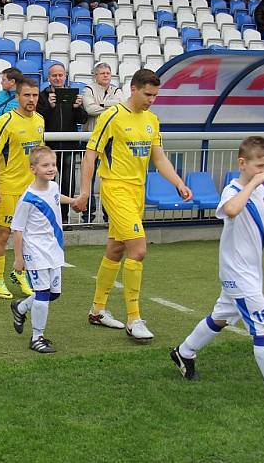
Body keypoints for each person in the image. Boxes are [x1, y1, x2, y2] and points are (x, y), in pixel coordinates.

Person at [170, 137, 264, 411]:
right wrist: (254, 183)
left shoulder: (255, 189)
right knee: (263, 328)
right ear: (242, 163)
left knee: (220, 318)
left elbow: (258, 213)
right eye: (261, 165)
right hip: (238, 274)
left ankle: (183, 352)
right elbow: (233, 210)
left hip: (248, 271)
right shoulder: (233, 189)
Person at [71, 69, 193, 340]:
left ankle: (97, 310)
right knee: (138, 250)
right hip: (115, 189)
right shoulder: (111, 116)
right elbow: (91, 154)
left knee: (115, 249)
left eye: (155, 95)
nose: (151, 100)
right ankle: (134, 319)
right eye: (148, 94)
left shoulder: (151, 119)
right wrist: (85, 193)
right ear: (134, 89)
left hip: (137, 192)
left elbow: (158, 158)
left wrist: (179, 182)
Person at [10, 146, 73, 353]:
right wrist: (18, 259)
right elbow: (17, 230)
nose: (51, 168)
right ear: (33, 169)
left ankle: (20, 308)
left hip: (54, 249)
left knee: (54, 294)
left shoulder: (54, 187)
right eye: (45, 165)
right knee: (43, 294)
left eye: (53, 164)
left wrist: (73, 201)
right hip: (35, 252)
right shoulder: (27, 199)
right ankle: (37, 337)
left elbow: (56, 198)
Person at [0, 78, 45, 300]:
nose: (31, 100)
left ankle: (19, 273)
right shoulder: (6, 121)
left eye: (35, 95)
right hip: (8, 188)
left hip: (30, 190)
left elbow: (38, 155)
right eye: (27, 95)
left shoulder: (40, 120)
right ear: (18, 96)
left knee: (29, 235)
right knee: (3, 233)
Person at [36, 63, 87, 224]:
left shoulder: (73, 95)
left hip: (69, 147)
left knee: (67, 183)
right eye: (54, 75)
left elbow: (83, 119)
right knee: (46, 183)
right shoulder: (42, 96)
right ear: (48, 78)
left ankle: (63, 218)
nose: (57, 78)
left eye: (60, 75)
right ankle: (47, 217)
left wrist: (77, 107)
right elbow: (37, 118)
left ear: (65, 76)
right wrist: (49, 107)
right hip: (48, 148)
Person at [82, 62, 124, 223]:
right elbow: (90, 109)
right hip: (93, 138)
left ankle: (109, 214)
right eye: (102, 73)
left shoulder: (117, 89)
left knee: (110, 178)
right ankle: (88, 216)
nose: (106, 75)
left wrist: (101, 104)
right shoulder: (89, 89)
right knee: (89, 177)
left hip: (112, 139)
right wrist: (111, 106)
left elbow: (122, 106)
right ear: (95, 76)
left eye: (108, 73)